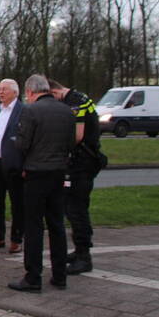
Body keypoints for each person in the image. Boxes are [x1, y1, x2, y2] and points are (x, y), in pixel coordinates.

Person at [8, 74, 75, 292]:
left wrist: (17, 144)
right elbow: (71, 141)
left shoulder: (30, 111)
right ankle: (60, 275)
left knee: (34, 226)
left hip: (36, 173)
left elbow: (23, 143)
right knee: (57, 225)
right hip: (58, 172)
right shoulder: (66, 110)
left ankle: (33, 276)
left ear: (29, 92)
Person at [48, 79, 102, 275]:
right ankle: (79, 250)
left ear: (54, 92)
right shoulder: (76, 98)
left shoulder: (75, 102)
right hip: (81, 162)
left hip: (82, 163)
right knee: (72, 208)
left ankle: (84, 257)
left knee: (76, 208)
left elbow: (77, 135)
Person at [0, 79, 25, 253]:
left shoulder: (22, 110)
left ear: (15, 92)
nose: (1, 92)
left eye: (5, 90)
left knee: (17, 202)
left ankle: (17, 238)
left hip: (13, 164)